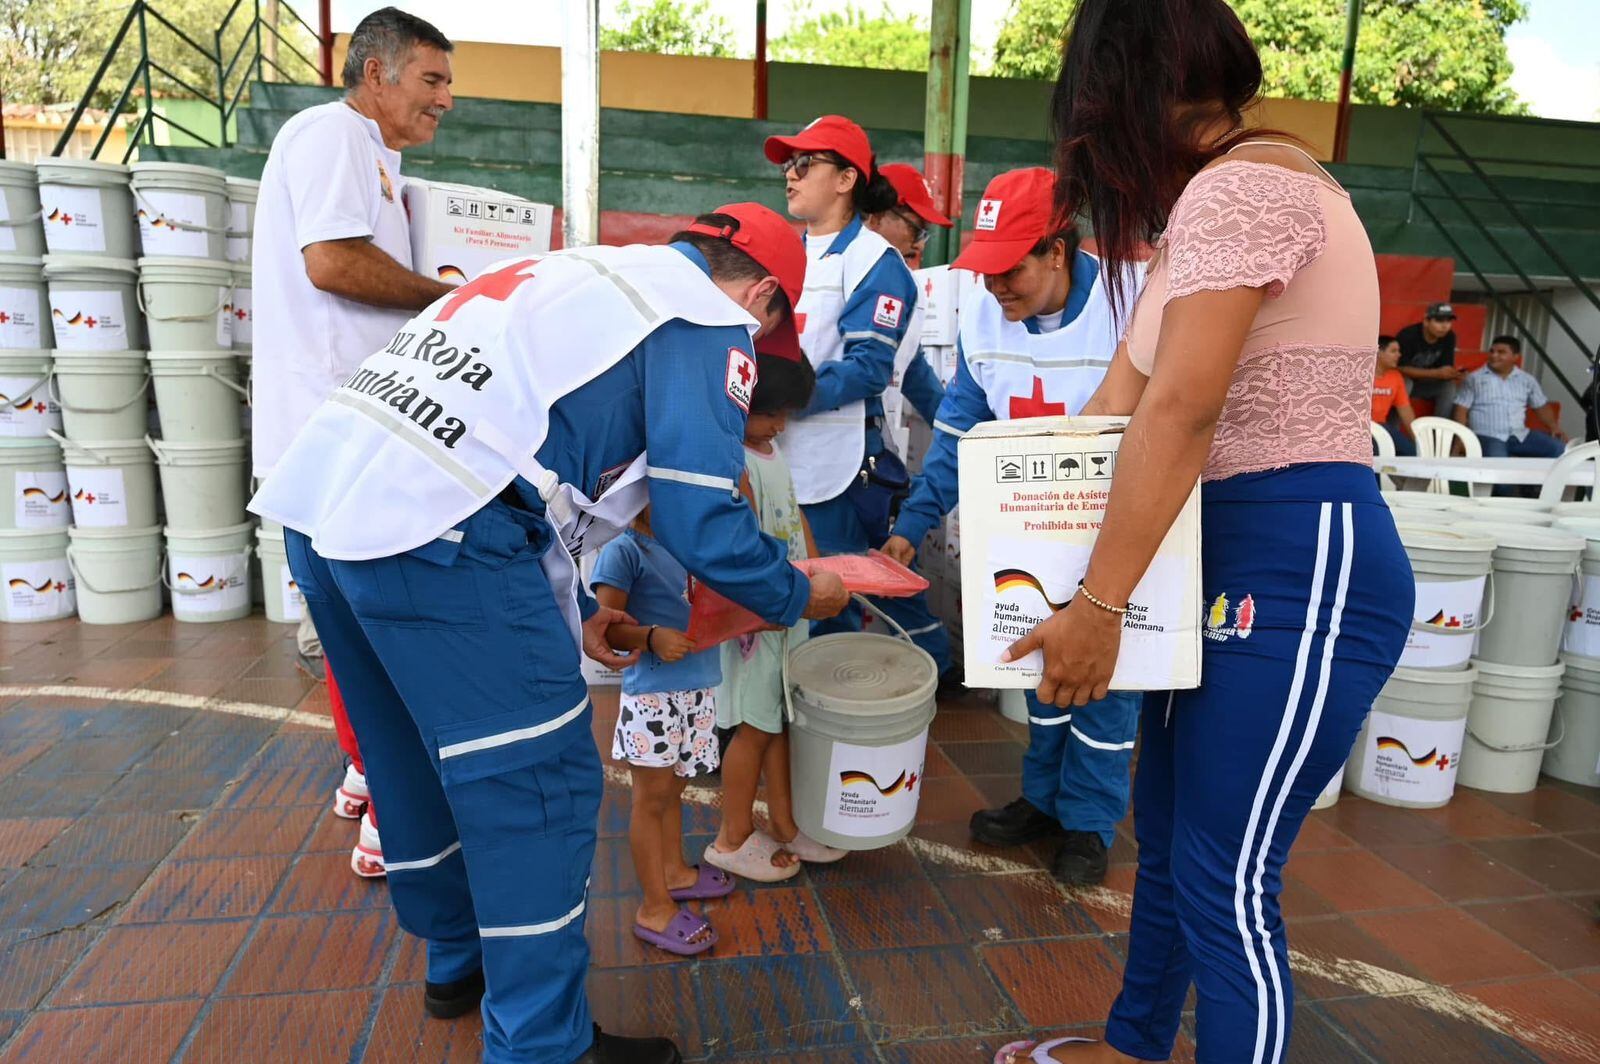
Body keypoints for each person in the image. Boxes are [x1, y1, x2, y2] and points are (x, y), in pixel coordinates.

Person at [250, 203, 849, 1063]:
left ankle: (457, 961)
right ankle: (542, 1046)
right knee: (539, 787)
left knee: (410, 752)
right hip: (438, 536)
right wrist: (796, 590)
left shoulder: (588, 274)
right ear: (763, 298)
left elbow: (529, 465)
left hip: (325, 502)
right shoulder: (706, 315)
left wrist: (585, 610)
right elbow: (701, 516)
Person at [996, 1, 1411, 1060]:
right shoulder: (1201, 219)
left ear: (1135, 88)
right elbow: (1107, 421)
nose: (1090, 143)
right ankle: (1134, 1043)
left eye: (1092, 111)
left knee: (1229, 878)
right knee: (1177, 851)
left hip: (1295, 550)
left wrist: (1093, 603)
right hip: (1212, 558)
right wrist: (1007, 543)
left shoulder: (1245, 187)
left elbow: (1179, 410)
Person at [881, 166, 1144, 888]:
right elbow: (959, 430)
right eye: (985, 270)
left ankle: (1089, 823)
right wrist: (915, 521)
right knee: (1039, 675)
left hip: (1118, 539)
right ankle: (1045, 800)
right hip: (1031, 538)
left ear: (1057, 251)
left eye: (1010, 270)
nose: (995, 287)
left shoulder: (1134, 306)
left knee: (1106, 687)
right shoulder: (983, 322)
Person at [251, 6, 457, 877]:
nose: (446, 100)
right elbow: (331, 263)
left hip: (350, 424)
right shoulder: (332, 132)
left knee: (353, 620)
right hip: (335, 430)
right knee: (373, 622)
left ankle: (361, 772)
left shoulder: (377, 162)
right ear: (374, 73)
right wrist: (442, 298)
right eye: (432, 79)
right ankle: (388, 796)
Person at [763, 116, 954, 681]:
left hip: (833, 461)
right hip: (775, 452)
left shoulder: (876, 262)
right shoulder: (786, 251)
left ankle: (852, 714)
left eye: (803, 164)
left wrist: (780, 403)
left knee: (833, 596)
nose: (790, 177)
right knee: (803, 583)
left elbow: (869, 368)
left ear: (846, 179)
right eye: (786, 166)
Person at [710, 351, 847, 882]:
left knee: (778, 721)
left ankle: (785, 823)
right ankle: (732, 836)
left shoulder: (768, 450)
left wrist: (820, 570)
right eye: (771, 414)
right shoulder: (734, 462)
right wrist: (788, 590)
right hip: (759, 618)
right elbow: (744, 545)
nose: (780, 425)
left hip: (792, 607)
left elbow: (794, 516)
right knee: (752, 728)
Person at [591, 508, 733, 957]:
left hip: (698, 685)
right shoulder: (623, 550)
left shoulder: (688, 542)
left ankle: (673, 872)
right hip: (654, 696)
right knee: (650, 801)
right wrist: (651, 638)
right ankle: (654, 907)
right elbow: (604, 627)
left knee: (674, 791)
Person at [867, 162, 950, 433]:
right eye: (916, 229)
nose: (920, 244)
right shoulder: (834, 272)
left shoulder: (905, 287)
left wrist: (963, 434)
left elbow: (911, 367)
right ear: (878, 215)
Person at [1454, 334, 1567, 461]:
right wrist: (1461, 438)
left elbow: (1540, 406)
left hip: (1519, 435)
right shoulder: (1474, 378)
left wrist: (1554, 427)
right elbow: (1461, 409)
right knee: (1500, 466)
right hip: (1487, 436)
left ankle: (1537, 482)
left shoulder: (1526, 380)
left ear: (1515, 357)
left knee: (1560, 449)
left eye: (1501, 352)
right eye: (1492, 351)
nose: (1494, 355)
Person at [1395, 302, 1462, 417]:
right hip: (1403, 383)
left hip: (1425, 384)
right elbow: (1399, 368)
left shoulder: (1449, 336)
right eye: (1439, 321)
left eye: (1448, 321)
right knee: (1406, 383)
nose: (1444, 326)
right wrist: (1436, 374)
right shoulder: (1408, 335)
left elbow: (1445, 366)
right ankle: (1392, 429)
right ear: (1426, 321)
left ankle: (1439, 431)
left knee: (1448, 387)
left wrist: (1453, 373)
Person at [1372, 334, 1416, 456]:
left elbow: (1406, 412)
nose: (1399, 355)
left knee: (1412, 453)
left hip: (1382, 427)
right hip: (1362, 429)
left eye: (1398, 351)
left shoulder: (1396, 377)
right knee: (1377, 458)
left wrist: (1419, 441)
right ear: (1379, 352)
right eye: (1393, 351)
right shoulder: (1362, 374)